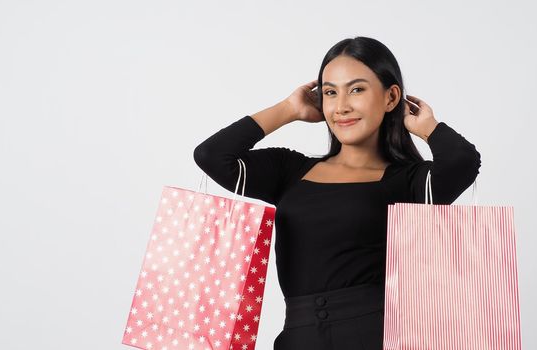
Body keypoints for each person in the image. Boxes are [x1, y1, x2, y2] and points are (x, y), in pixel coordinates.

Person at [193, 36, 481, 350]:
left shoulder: (407, 180)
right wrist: (289, 108)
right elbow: (211, 155)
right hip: (298, 339)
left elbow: (462, 162)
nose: (341, 106)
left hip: (374, 337)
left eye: (356, 89)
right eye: (330, 92)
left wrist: (427, 126)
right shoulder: (289, 170)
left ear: (390, 97)